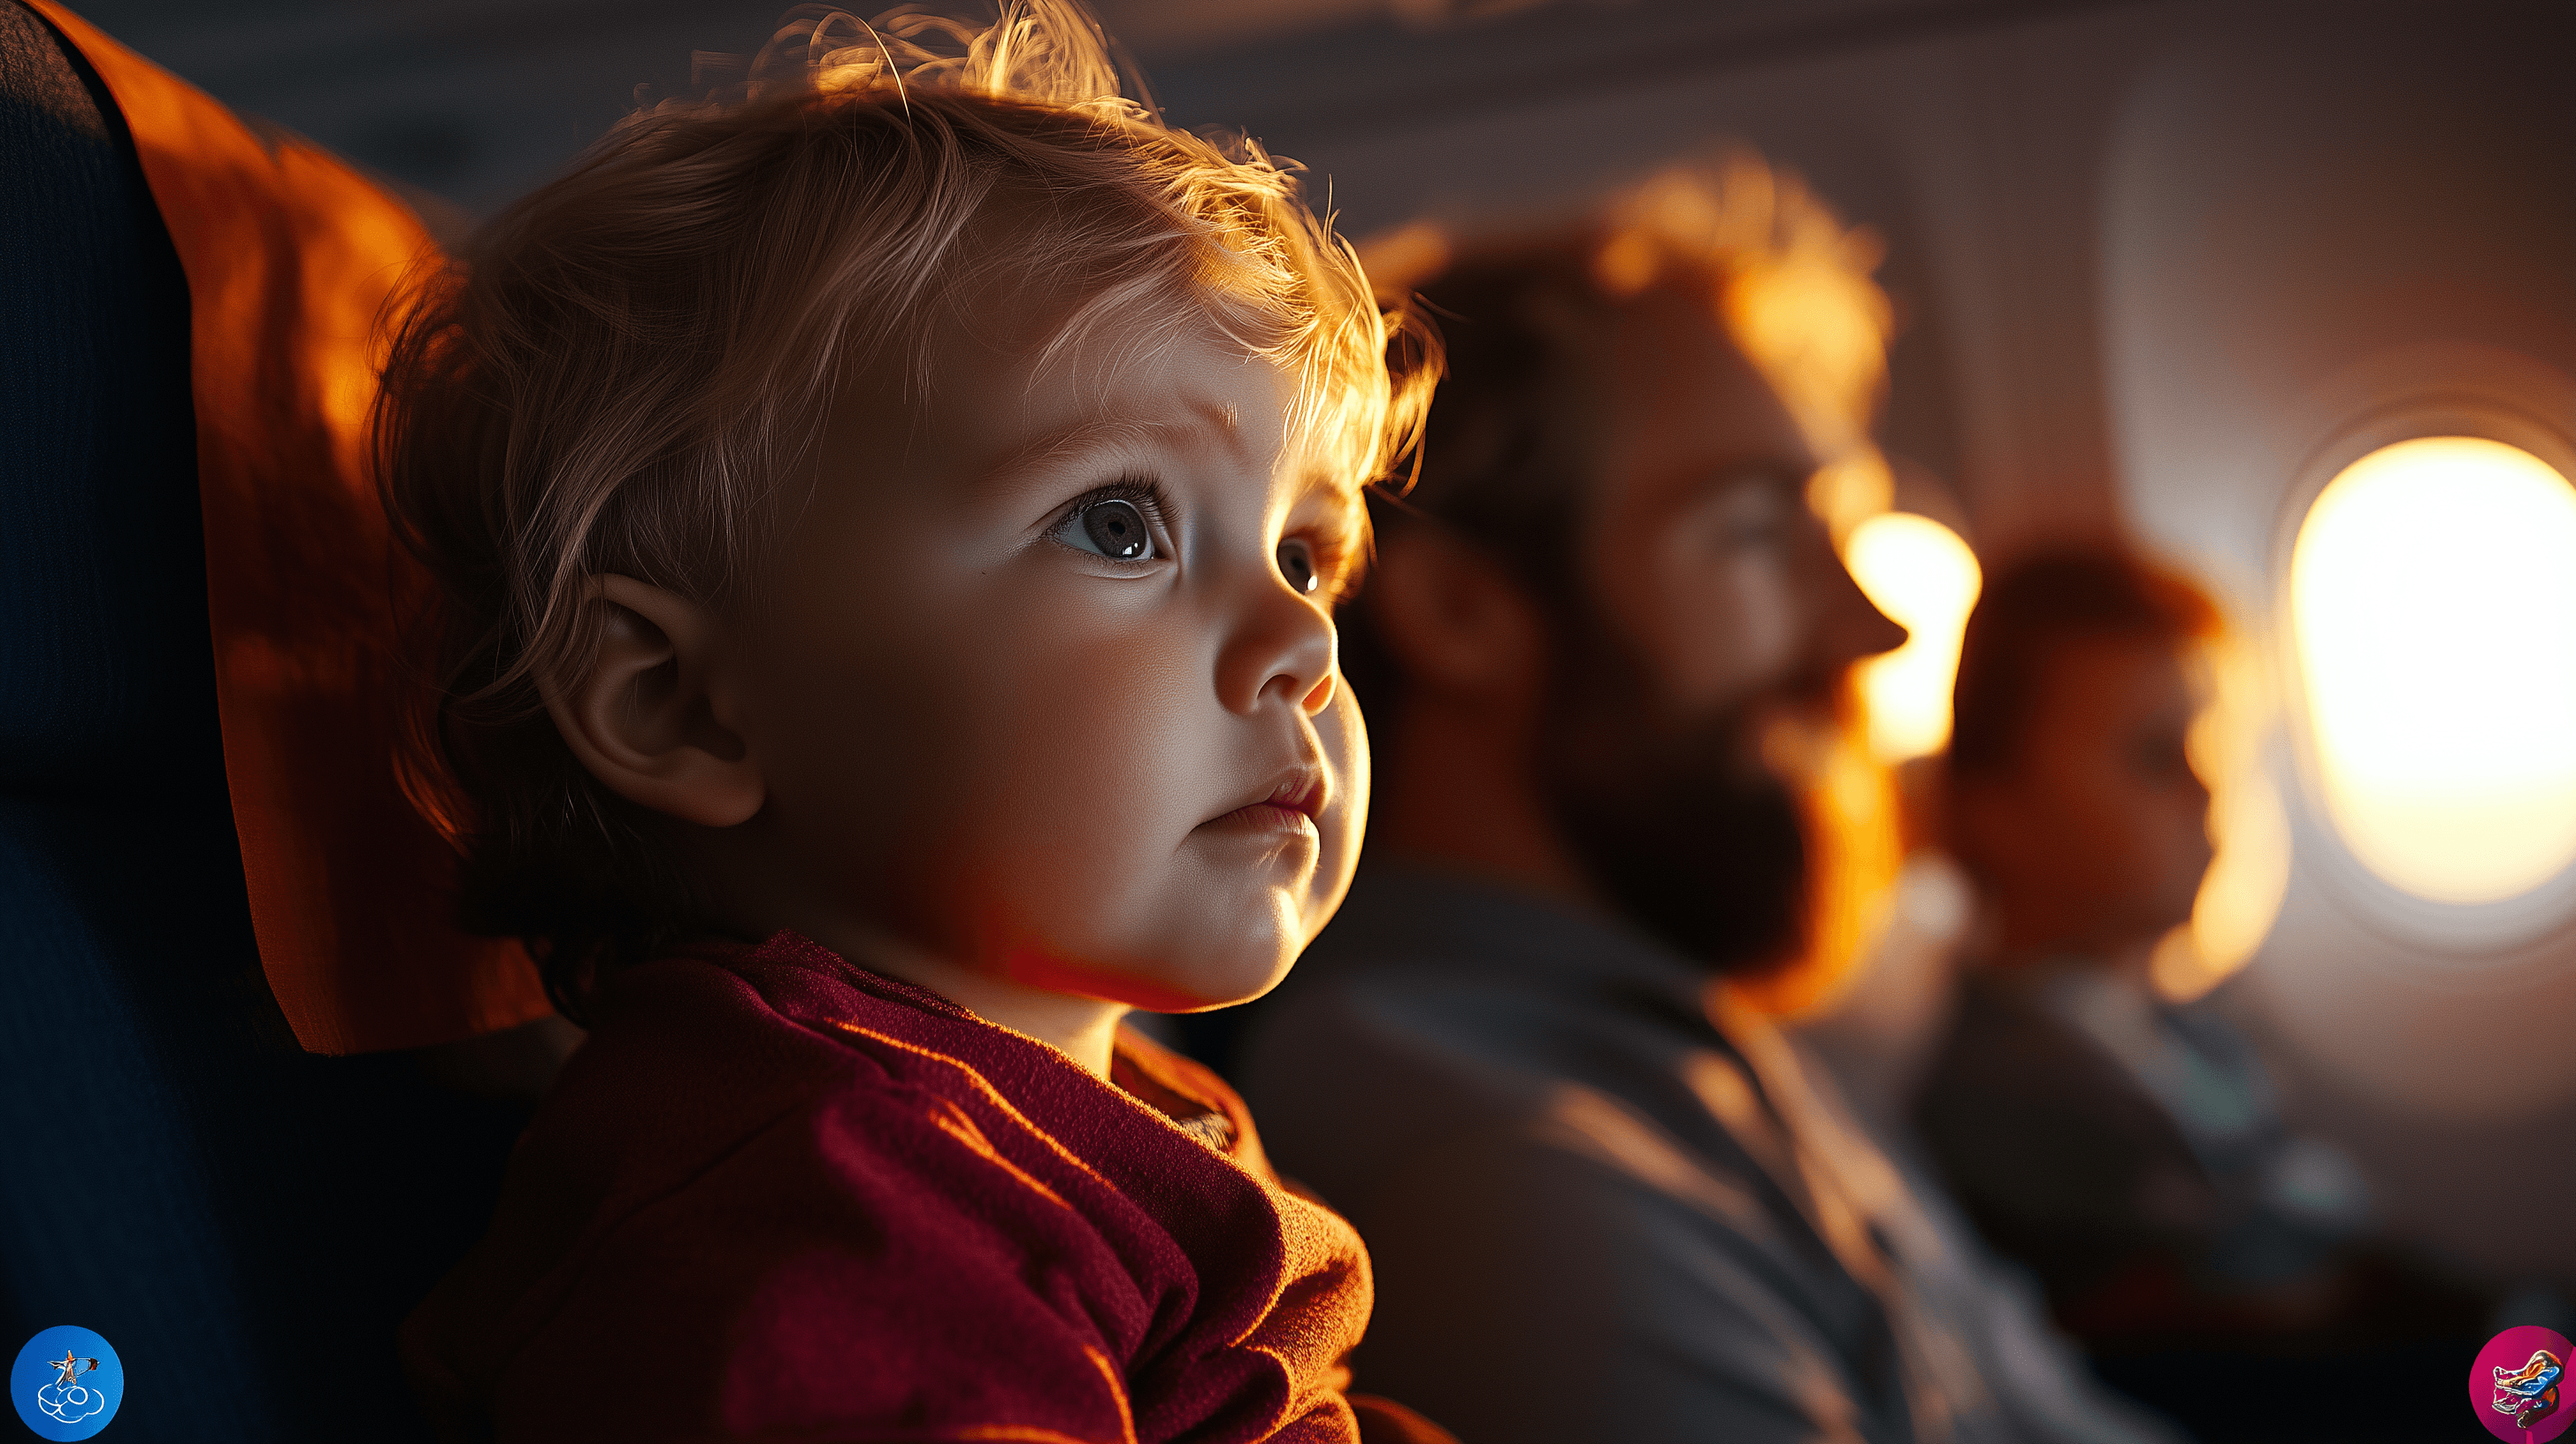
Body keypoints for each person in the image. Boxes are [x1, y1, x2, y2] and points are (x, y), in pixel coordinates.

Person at [381, 6, 1452, 1440]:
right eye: (1119, 524)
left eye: (1304, 555)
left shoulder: (1093, 1107)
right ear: (681, 705)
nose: (1303, 641)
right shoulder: (819, 1196)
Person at [1236, 165, 2178, 1444]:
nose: (1874, 627)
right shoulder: (1496, 1161)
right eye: (1751, 532)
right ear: (1465, 613)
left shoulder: (1707, 1045)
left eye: (1838, 533)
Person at [1913, 550, 2373, 1341]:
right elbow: (2258, 1287)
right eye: (2155, 755)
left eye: (2215, 749)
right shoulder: (2003, 1086)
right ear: (1993, 809)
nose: (2204, 790)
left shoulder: (2187, 1034)